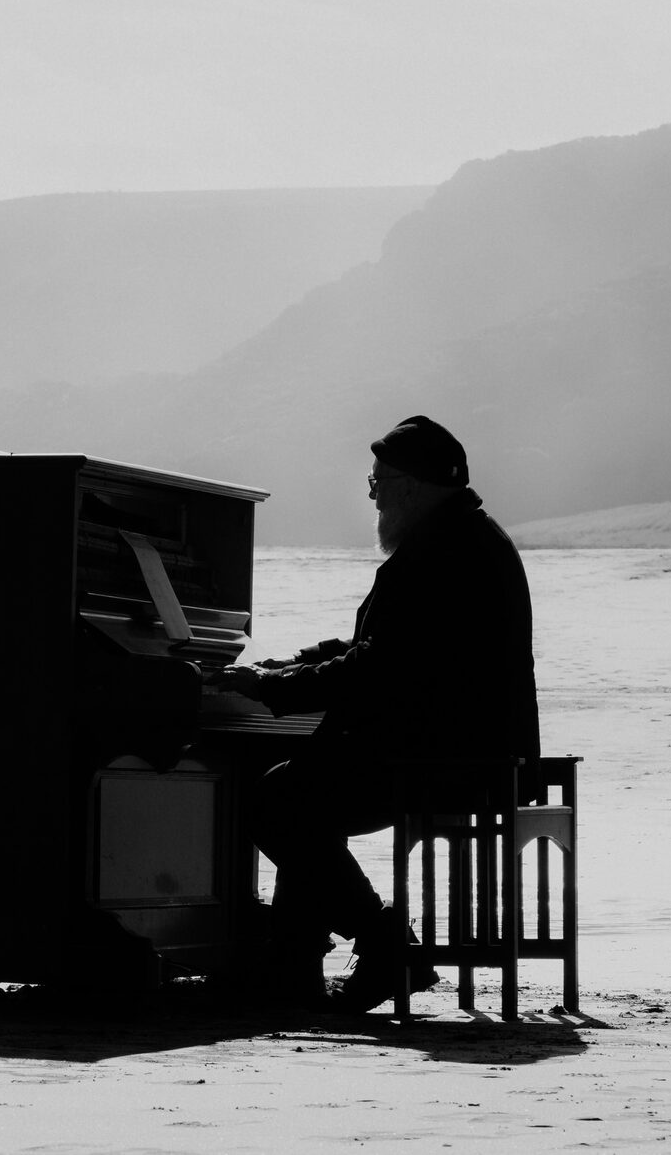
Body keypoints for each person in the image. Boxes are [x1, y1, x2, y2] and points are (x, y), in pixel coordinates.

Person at [208, 414, 538, 1013]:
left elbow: (380, 666)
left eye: (378, 481)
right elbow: (384, 648)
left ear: (410, 486)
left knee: (279, 802)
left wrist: (274, 687)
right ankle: (293, 965)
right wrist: (295, 665)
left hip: (446, 755)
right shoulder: (461, 537)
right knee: (299, 787)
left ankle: (383, 943)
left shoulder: (442, 551)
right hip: (456, 743)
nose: (373, 495)